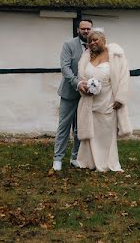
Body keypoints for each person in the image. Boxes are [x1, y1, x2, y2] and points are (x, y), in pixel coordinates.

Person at [75, 30, 131, 172]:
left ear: (103, 40)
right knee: (91, 133)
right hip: (90, 102)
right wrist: (84, 87)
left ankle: (107, 163)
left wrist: (120, 98)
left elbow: (124, 77)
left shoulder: (116, 55)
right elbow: (81, 76)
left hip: (108, 102)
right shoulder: (86, 56)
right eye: (90, 41)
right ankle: (89, 162)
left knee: (107, 133)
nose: (92, 42)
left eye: (95, 40)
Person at [53, 18, 94, 171]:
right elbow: (65, 68)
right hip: (69, 93)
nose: (86, 31)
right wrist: (77, 83)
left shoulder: (95, 46)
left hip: (87, 96)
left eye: (88, 28)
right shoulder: (69, 45)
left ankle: (75, 157)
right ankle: (57, 159)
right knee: (64, 126)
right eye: (83, 28)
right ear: (78, 30)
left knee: (80, 128)